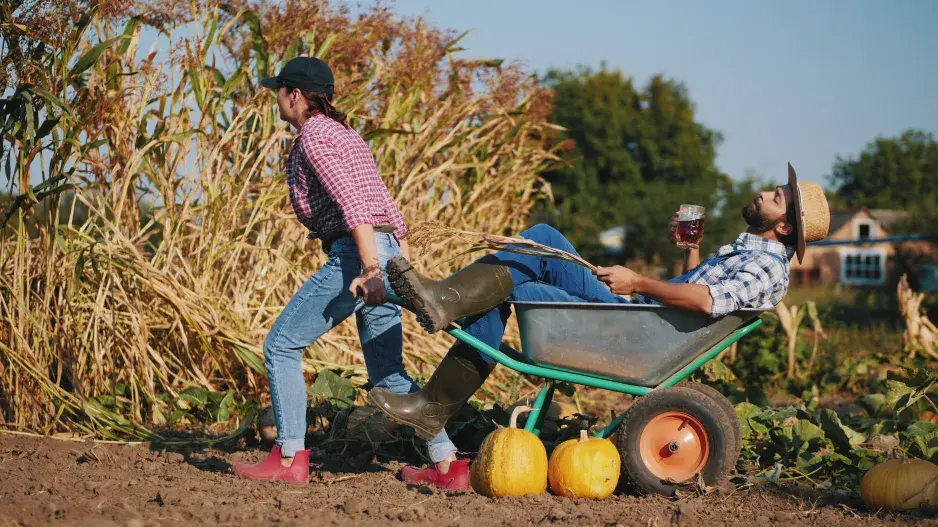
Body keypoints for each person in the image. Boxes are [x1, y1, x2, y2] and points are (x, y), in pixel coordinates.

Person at [367, 164, 831, 443]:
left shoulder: (769, 266)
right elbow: (700, 289)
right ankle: (443, 315)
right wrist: (689, 250)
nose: (765, 194)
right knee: (543, 240)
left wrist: (638, 281)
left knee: (511, 287)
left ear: (784, 227)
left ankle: (436, 388)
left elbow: (708, 302)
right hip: (641, 319)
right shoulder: (751, 250)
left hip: (632, 326)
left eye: (776, 198)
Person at [231, 57, 466, 489]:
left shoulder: (316, 138)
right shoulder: (346, 134)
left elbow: (354, 207)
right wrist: (401, 268)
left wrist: (373, 270)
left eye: (278, 92)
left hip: (358, 257)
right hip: (384, 249)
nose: (276, 100)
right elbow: (390, 210)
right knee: (389, 373)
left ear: (294, 95)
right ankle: (448, 464)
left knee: (281, 346)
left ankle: (288, 458)